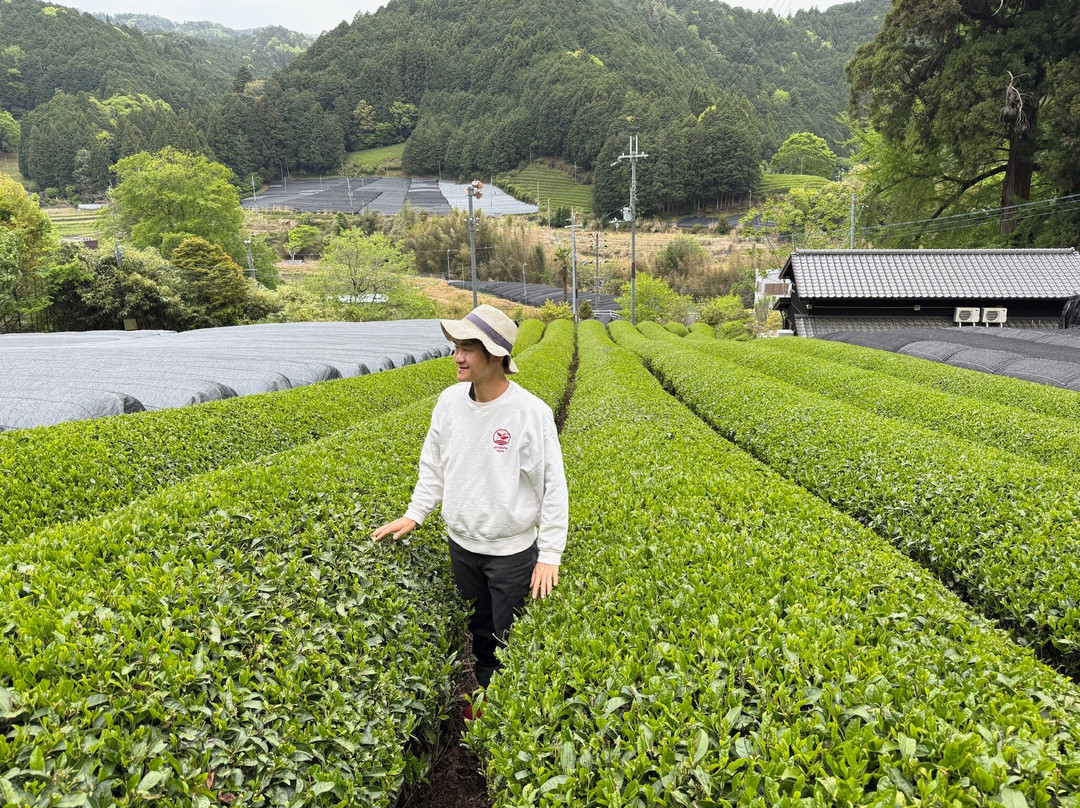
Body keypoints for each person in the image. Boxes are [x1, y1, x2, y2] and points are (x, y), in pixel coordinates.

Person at [372, 304, 568, 709]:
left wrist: (549, 553)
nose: (458, 356)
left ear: (496, 356)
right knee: (479, 627)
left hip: (510, 553)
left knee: (507, 632)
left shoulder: (530, 413)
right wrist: (416, 512)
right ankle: (483, 694)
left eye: (468, 348)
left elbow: (552, 487)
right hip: (461, 546)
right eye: (456, 347)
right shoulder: (448, 402)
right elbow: (434, 464)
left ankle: (506, 710)